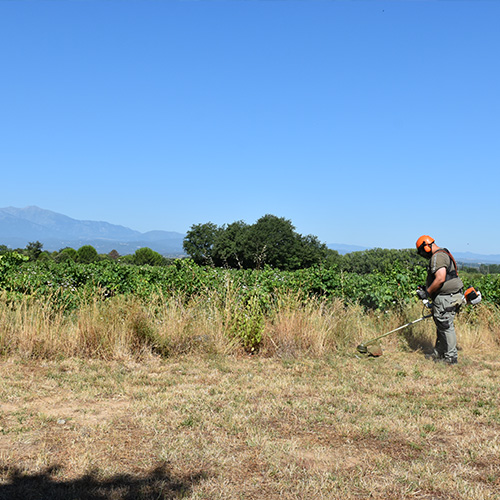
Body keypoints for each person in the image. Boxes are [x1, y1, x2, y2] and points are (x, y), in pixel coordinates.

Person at [416, 235, 464, 364]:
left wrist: (427, 292)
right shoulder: (443, 253)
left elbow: (441, 278)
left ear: (426, 247)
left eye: (422, 252)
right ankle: (439, 353)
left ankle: (450, 358)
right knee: (441, 325)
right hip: (449, 296)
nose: (423, 255)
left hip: (447, 298)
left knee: (446, 326)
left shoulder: (438, 256)